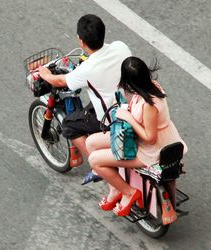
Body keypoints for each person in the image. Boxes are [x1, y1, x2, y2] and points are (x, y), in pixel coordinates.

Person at [86, 56, 188, 216]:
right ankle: (115, 188)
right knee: (91, 142)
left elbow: (150, 137)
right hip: (147, 139)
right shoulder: (152, 86)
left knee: (94, 160)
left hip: (149, 150)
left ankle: (128, 192)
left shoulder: (149, 104)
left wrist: (129, 118)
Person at [39, 14, 132, 178]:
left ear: (81, 41)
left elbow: (60, 81)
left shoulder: (87, 69)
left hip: (110, 118)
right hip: (130, 106)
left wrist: (45, 73)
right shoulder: (121, 47)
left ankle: (98, 165)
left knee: (69, 125)